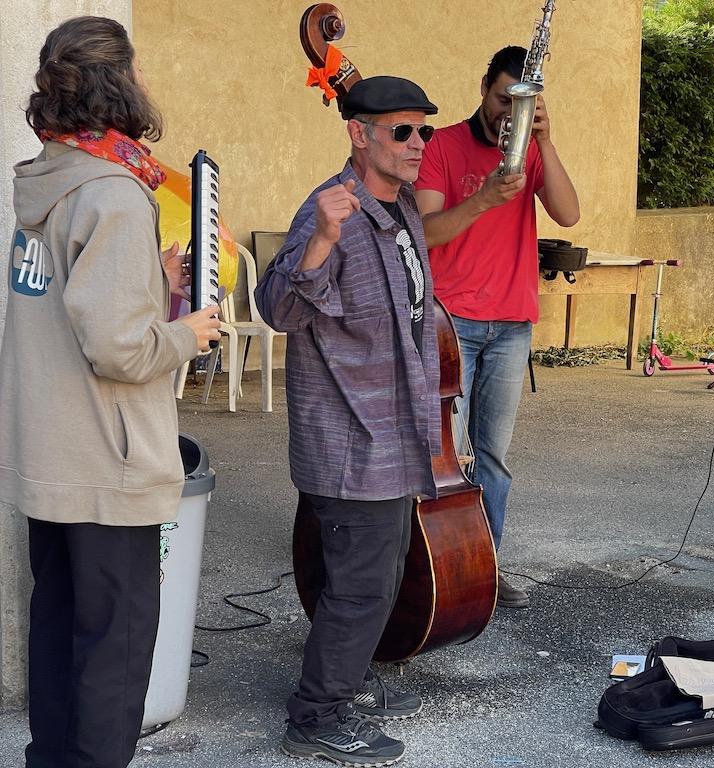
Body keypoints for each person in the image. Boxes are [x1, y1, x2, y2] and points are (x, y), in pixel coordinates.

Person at [0, 16, 221, 768]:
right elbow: (120, 349)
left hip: (52, 456)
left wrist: (151, 278)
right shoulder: (117, 196)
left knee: (60, 632)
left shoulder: (51, 180)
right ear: (120, 83)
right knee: (115, 652)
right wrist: (189, 334)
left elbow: (70, 308)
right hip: (108, 465)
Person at [256, 76, 442, 766]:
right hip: (347, 435)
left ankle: (349, 675)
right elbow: (278, 309)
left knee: (379, 574)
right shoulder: (329, 211)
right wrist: (323, 239)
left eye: (424, 130)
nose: (418, 142)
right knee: (361, 584)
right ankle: (316, 714)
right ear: (358, 134)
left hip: (392, 431)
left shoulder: (401, 211)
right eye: (402, 130)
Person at [414, 46, 580, 609]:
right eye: (500, 97)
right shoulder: (441, 146)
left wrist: (546, 142)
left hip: (511, 323)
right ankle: (433, 563)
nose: (506, 111)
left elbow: (569, 214)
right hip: (451, 320)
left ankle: (485, 565)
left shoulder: (530, 147)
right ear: (483, 88)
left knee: (494, 458)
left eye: (521, 103)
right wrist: (484, 199)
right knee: (444, 454)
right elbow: (426, 231)